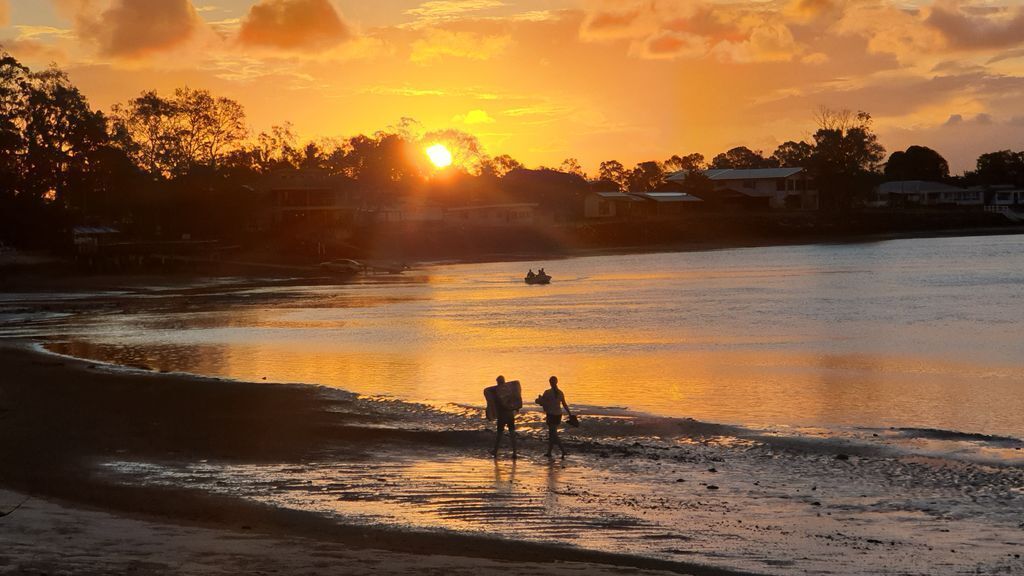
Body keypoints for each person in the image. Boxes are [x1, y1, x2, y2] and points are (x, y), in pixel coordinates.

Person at [535, 375, 573, 458]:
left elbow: (542, 402)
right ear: (557, 382)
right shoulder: (560, 392)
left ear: (550, 383)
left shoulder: (547, 392)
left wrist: (538, 400)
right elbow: (564, 404)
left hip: (551, 415)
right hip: (558, 415)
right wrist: (570, 414)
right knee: (552, 434)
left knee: (553, 434)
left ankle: (563, 451)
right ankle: (549, 452)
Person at [489, 375, 521, 459]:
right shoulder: (509, 390)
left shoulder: (497, 391)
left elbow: (495, 403)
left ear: (498, 382)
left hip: (502, 415)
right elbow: (515, 398)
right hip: (510, 414)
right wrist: (516, 407)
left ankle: (495, 451)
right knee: (512, 433)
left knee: (499, 434)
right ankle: (514, 453)